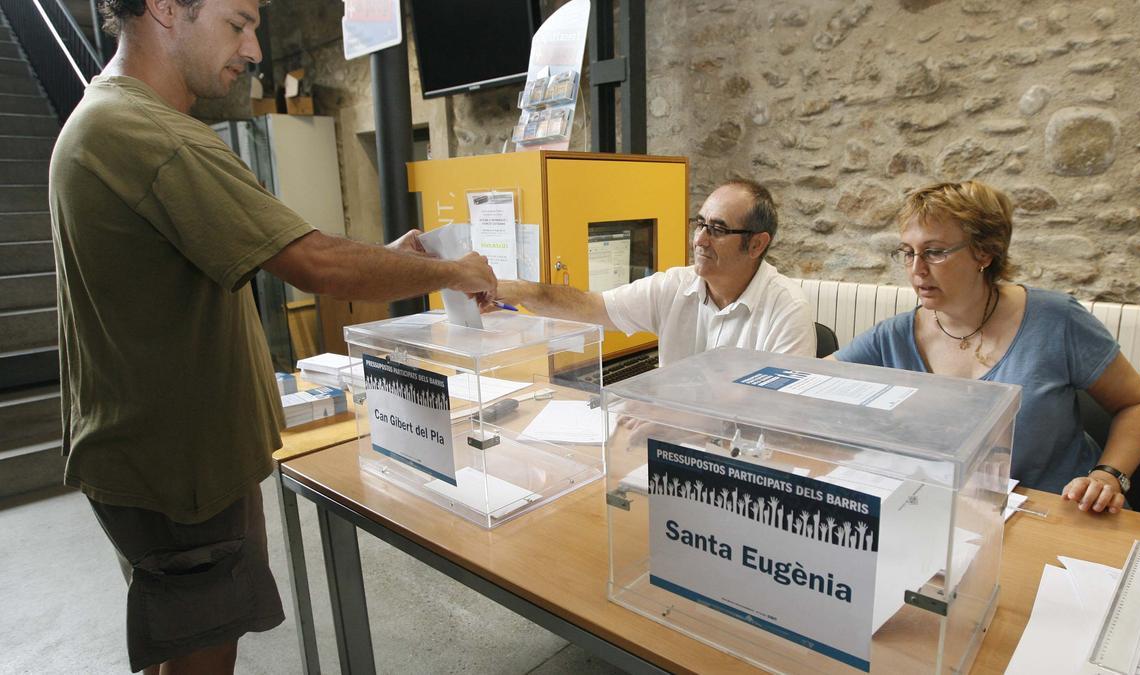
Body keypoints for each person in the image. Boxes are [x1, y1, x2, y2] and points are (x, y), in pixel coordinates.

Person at [49, 0, 496, 672]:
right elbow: (311, 261)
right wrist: (452, 270)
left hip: (150, 457)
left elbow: (269, 251)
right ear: (169, 10)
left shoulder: (108, 118)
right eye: (238, 23)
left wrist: (393, 257)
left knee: (185, 643)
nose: (257, 49)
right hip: (180, 473)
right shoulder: (150, 134)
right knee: (202, 656)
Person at [831, 181, 1140, 515]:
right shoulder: (894, 336)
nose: (917, 269)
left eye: (934, 252)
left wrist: (1109, 476)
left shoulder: (1057, 320)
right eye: (908, 252)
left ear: (984, 252)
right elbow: (805, 382)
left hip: (1060, 514)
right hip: (956, 517)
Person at [487, 179, 817, 364]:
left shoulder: (787, 309)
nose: (699, 239)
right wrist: (518, 290)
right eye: (699, 223)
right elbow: (590, 306)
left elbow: (779, 418)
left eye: (717, 229)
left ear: (757, 245)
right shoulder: (674, 286)